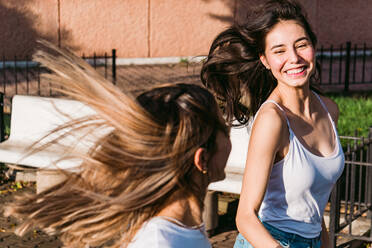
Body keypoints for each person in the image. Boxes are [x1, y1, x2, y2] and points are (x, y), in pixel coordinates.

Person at [4, 43, 232, 248]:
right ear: (201, 159)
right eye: (226, 130)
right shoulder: (161, 242)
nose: (230, 140)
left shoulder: (183, 228)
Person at [201, 0, 345, 247]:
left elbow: (313, 202)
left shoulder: (329, 110)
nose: (294, 58)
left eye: (301, 45)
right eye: (279, 51)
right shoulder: (273, 120)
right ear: (265, 60)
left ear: (313, 46)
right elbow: (245, 216)